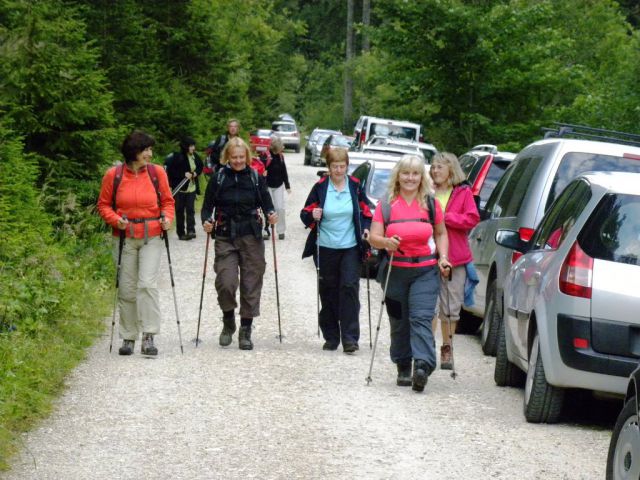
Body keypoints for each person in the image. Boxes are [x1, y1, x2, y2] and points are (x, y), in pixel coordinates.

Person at [368, 154, 451, 391]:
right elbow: (374, 237)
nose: (410, 178)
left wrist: (443, 258)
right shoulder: (386, 204)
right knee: (399, 321)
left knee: (421, 317)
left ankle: (422, 366)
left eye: (415, 173)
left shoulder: (431, 204)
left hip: (425, 270)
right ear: (398, 175)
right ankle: (403, 364)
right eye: (406, 173)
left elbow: (441, 233)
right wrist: (386, 242)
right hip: (395, 271)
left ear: (421, 177)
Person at [97, 130, 175, 356]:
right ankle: (129, 337)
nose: (150, 154)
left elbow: (168, 202)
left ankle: (149, 336)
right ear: (134, 152)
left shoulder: (157, 172)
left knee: (147, 285)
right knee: (127, 289)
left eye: (151, 149)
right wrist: (115, 220)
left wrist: (167, 218)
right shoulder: (114, 175)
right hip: (124, 237)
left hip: (152, 235)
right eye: (146, 150)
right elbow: (103, 205)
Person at [201, 137, 278, 351]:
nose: (237, 161)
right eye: (233, 157)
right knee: (226, 282)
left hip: (251, 235)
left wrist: (271, 214)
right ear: (227, 156)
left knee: (251, 282)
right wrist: (207, 221)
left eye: (241, 157)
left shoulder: (255, 178)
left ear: (247, 156)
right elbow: (207, 209)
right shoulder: (218, 178)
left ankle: (246, 328)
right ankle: (228, 320)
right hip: (225, 235)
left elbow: (267, 204)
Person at [300, 148, 374, 353]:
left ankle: (350, 338)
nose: (339, 170)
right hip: (325, 247)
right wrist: (312, 214)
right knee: (329, 291)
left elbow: (367, 212)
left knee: (349, 288)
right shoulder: (321, 187)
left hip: (350, 247)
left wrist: (366, 229)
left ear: (347, 166)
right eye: (335, 167)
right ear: (329, 168)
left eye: (342, 166)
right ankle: (331, 336)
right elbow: (305, 212)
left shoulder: (355, 186)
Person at [429, 152, 479, 369]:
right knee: (428, 305)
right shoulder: (426, 191)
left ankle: (447, 347)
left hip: (455, 257)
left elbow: (472, 218)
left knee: (450, 306)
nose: (435, 170)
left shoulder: (463, 192)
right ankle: (426, 347)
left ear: (451, 169)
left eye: (440, 167)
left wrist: (444, 217)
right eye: (433, 167)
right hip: (427, 253)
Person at [166, 136, 204, 240]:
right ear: (186, 146)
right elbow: (171, 172)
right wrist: (183, 174)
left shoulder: (195, 156)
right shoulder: (177, 157)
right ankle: (181, 233)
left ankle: (191, 230)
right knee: (179, 210)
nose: (193, 148)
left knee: (190, 210)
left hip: (191, 188)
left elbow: (200, 166)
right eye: (191, 146)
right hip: (179, 188)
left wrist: (195, 173)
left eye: (193, 145)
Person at [264, 136, 291, 240]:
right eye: (281, 147)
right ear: (276, 147)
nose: (283, 148)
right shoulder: (266, 156)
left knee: (280, 208)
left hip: (279, 185)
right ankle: (265, 229)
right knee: (267, 208)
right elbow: (260, 170)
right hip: (267, 186)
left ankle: (281, 230)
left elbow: (284, 172)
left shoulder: (281, 157)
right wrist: (263, 174)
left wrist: (287, 186)